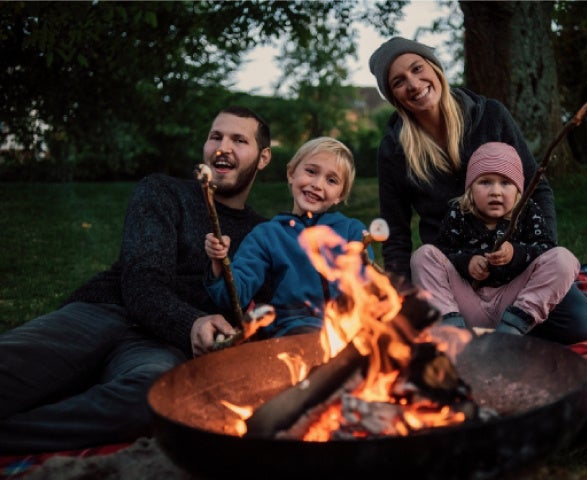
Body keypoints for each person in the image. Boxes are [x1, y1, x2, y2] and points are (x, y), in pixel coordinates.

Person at [0, 105, 272, 454]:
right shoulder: (163, 191)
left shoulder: (263, 234)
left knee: (154, 400)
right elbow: (142, 280)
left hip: (159, 349)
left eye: (239, 140)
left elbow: (259, 311)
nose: (223, 147)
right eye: (215, 136)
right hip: (105, 312)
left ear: (263, 158)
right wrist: (191, 322)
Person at [368, 36, 587, 344]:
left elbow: (536, 188)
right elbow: (396, 234)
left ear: (435, 68)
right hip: (453, 272)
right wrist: (403, 295)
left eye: (417, 68)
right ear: (393, 96)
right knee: (417, 308)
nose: (413, 82)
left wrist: (538, 252)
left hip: (514, 263)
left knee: (579, 321)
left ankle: (507, 326)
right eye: (398, 81)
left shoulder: (489, 115)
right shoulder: (395, 149)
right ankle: (460, 328)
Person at [204, 136, 373, 338]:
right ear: (291, 173)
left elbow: (367, 290)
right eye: (311, 171)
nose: (317, 184)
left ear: (340, 195)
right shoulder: (266, 235)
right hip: (291, 332)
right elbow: (232, 297)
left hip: (348, 330)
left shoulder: (352, 231)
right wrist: (218, 263)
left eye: (331, 180)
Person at [411, 142, 580, 335]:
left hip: (513, 301)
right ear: (470, 188)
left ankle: (512, 329)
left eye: (505, 183)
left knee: (564, 258)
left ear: (518, 190)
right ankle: (451, 331)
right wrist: (467, 263)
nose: (495, 191)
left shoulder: (527, 212)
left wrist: (515, 253)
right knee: (423, 255)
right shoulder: (459, 213)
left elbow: (545, 249)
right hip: (466, 304)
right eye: (485, 182)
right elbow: (444, 253)